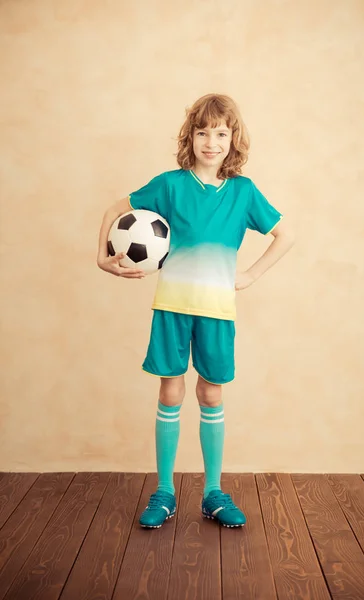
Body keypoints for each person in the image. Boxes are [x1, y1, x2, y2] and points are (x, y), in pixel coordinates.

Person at [97, 93, 295, 529]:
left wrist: (251, 275)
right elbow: (116, 210)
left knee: (211, 393)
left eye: (220, 133)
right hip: (171, 307)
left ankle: (212, 492)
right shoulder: (170, 185)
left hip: (217, 311)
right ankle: (165, 491)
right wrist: (101, 257)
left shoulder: (243, 192)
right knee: (171, 392)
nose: (211, 141)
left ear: (233, 138)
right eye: (203, 132)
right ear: (191, 136)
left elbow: (285, 235)